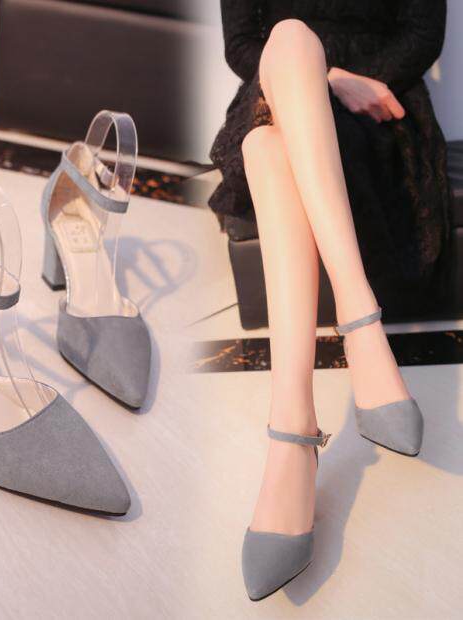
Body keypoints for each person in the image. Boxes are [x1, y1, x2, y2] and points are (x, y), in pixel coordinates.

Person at [209, 0, 449, 600]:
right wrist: (324, 75)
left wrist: (354, 83)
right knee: (291, 43)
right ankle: (360, 322)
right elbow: (242, 44)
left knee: (270, 148)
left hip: (378, 110)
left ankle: (292, 433)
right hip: (275, 93)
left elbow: (422, 32)